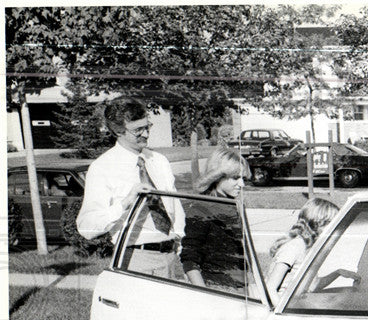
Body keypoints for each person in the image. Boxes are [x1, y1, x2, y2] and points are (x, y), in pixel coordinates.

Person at [76, 98, 184, 278]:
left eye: (147, 126)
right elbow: (87, 227)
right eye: (138, 130)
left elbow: (175, 205)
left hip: (173, 256)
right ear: (118, 131)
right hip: (136, 259)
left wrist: (180, 240)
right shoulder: (102, 167)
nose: (146, 134)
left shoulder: (159, 161)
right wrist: (125, 203)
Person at [180, 147, 251, 289]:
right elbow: (190, 258)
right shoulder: (201, 208)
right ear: (217, 176)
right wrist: (204, 295)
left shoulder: (232, 205)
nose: (242, 184)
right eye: (236, 178)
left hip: (240, 287)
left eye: (243, 178)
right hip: (217, 288)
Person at [265, 197, 339, 295]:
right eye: (332, 224)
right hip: (281, 305)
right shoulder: (294, 247)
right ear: (317, 223)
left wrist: (338, 273)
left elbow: (311, 286)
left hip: (296, 303)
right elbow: (270, 288)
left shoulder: (308, 247)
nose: (334, 230)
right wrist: (281, 310)